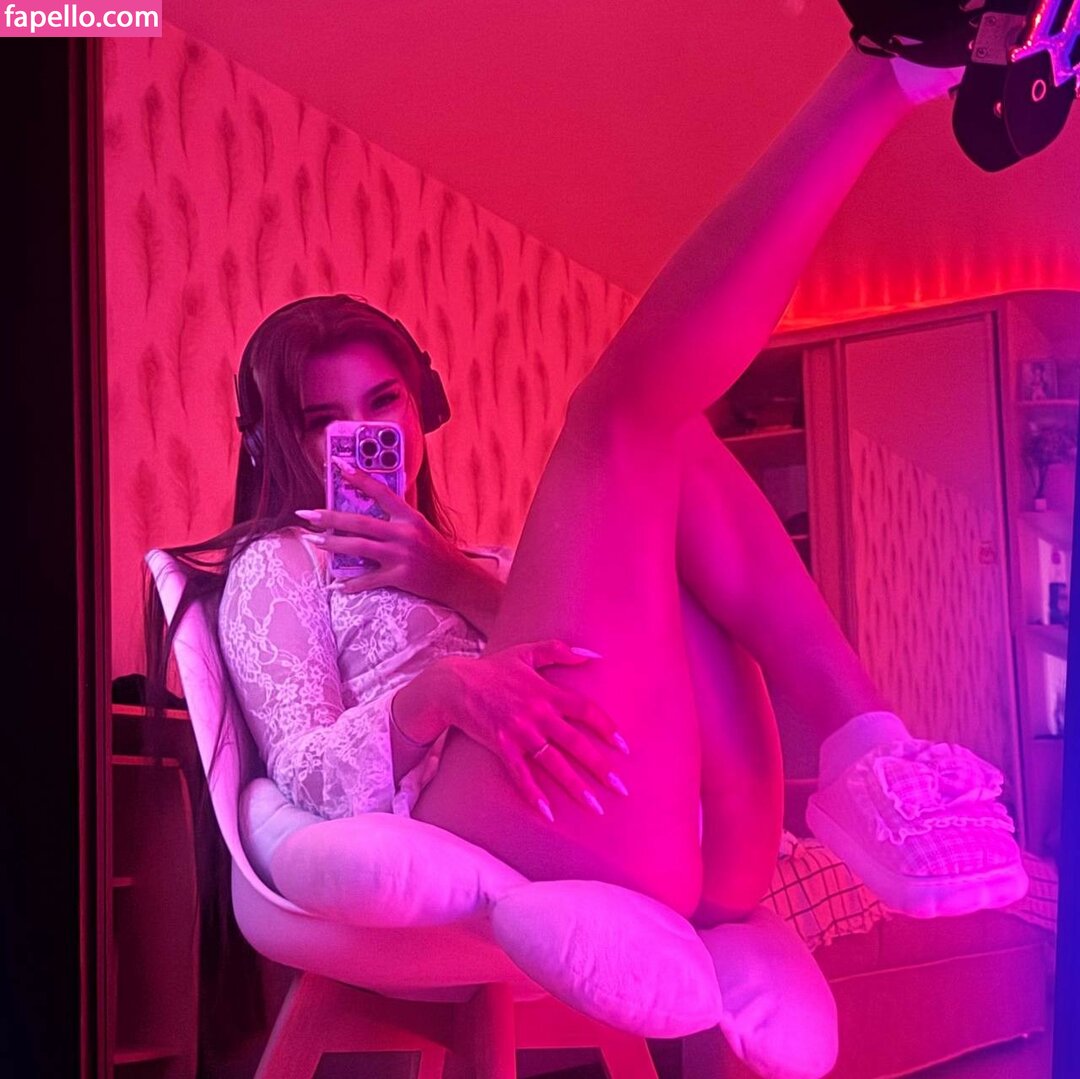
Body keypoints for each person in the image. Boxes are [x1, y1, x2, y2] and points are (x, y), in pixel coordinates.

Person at [146, 44, 1027, 974]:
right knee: (616, 417)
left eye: (383, 403)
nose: (362, 434)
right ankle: (886, 73)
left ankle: (869, 748)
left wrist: (455, 577)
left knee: (675, 443)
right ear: (273, 440)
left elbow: (578, 666)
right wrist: (434, 695)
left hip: (698, 832)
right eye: (324, 420)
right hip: (546, 826)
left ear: (420, 409)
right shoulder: (277, 564)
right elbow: (304, 778)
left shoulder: (473, 563)